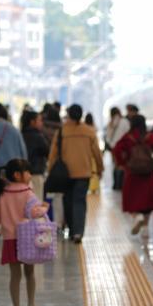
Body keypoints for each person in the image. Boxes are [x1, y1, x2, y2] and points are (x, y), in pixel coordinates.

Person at [0, 159, 49, 306]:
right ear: (17, 175)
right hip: (27, 237)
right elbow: (34, 213)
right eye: (27, 171)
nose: (30, 174)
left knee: (15, 275)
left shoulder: (2, 193)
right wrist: (44, 208)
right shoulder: (28, 192)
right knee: (30, 273)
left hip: (10, 239)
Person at [47, 104, 103, 243]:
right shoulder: (89, 131)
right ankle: (78, 232)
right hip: (84, 172)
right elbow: (97, 152)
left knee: (67, 200)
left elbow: (53, 154)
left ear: (69, 115)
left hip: (65, 174)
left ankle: (72, 230)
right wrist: (100, 169)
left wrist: (50, 170)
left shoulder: (62, 131)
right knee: (79, 201)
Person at [113, 114, 153, 236]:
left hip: (132, 174)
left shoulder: (128, 137)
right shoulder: (150, 137)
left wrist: (123, 164)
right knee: (147, 202)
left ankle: (137, 216)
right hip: (148, 174)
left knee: (131, 200)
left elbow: (117, 150)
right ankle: (145, 228)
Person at [20, 110, 49, 198]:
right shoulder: (38, 136)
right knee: (36, 202)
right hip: (36, 173)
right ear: (32, 122)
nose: (42, 123)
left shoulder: (20, 135)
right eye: (40, 120)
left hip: (22, 174)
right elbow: (47, 151)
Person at [104, 107, 130, 190]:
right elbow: (128, 132)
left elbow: (107, 137)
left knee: (116, 165)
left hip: (113, 147)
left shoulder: (110, 123)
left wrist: (112, 144)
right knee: (123, 164)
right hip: (123, 146)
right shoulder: (125, 121)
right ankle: (122, 184)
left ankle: (116, 184)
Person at [84, 113, 101, 194]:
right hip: (93, 154)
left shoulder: (83, 129)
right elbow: (96, 144)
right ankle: (94, 187)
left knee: (87, 171)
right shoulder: (94, 129)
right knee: (94, 171)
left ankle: (88, 186)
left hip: (85, 154)